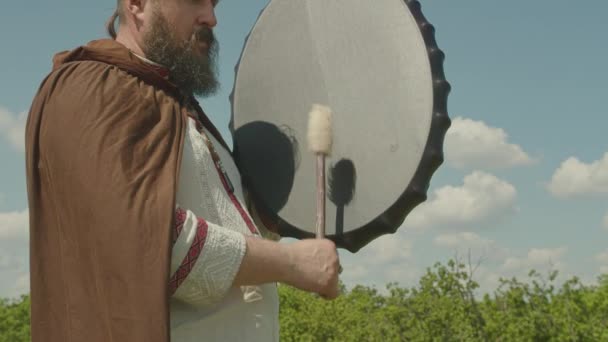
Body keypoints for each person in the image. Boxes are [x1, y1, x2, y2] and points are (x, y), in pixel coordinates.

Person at [24, 0, 341, 341]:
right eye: (195, 2)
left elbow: (235, 236)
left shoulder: (179, 109)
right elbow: (148, 238)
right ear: (137, 5)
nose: (212, 18)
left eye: (214, 3)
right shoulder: (89, 89)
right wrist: (292, 264)